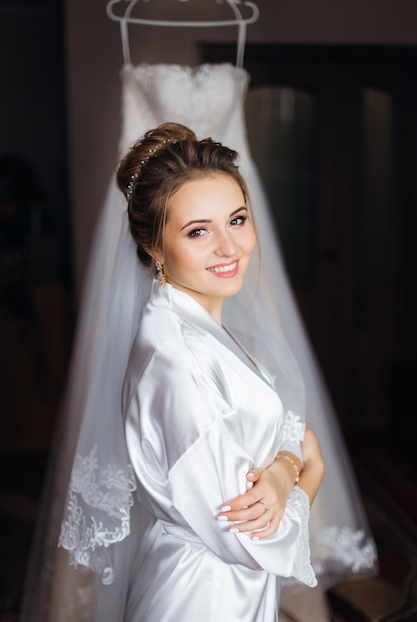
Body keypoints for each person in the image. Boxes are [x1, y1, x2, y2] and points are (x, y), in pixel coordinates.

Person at [103, 121, 324, 621]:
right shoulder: (174, 362)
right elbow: (252, 538)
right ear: (154, 248)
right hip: (203, 597)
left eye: (237, 219)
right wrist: (303, 469)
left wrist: (282, 465)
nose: (229, 247)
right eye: (198, 231)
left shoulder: (195, 326)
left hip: (225, 587)